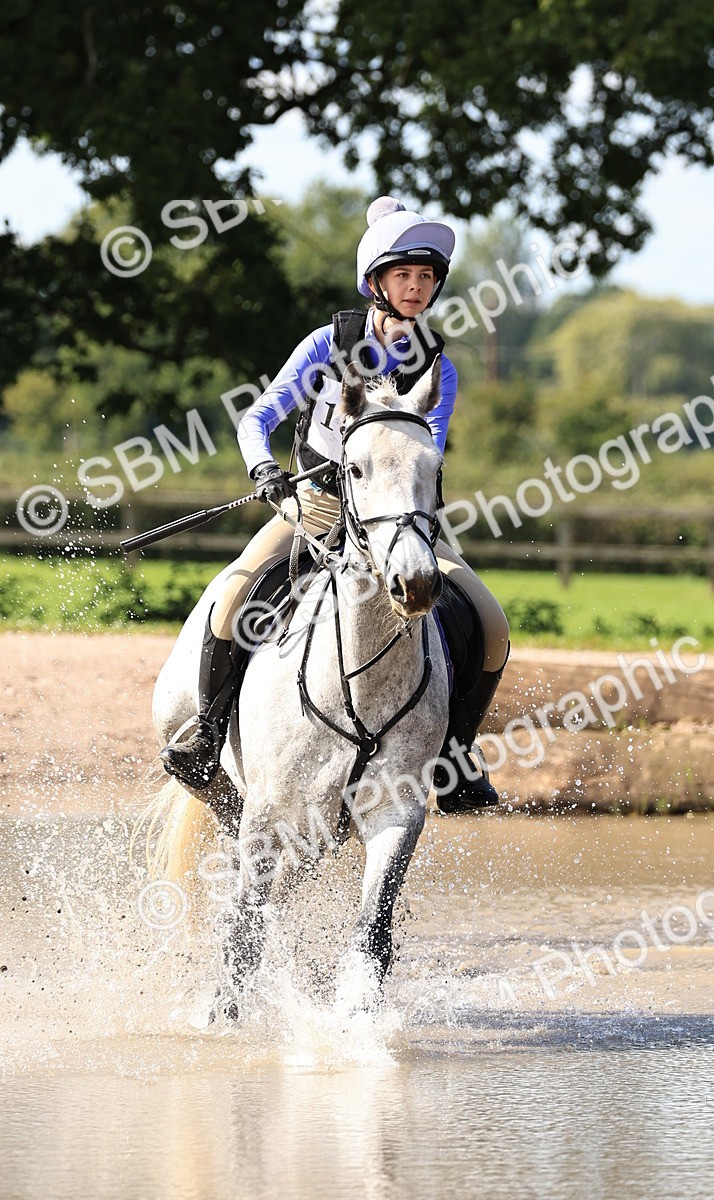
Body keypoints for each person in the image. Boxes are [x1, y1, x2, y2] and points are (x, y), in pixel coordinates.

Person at [160, 196, 510, 812]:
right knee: (232, 604)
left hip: (399, 518)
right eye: (404, 275)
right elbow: (259, 416)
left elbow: (431, 452)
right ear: (375, 281)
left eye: (426, 277)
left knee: (491, 625)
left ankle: (455, 756)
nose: (417, 287)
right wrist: (266, 469)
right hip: (316, 507)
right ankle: (208, 737)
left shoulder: (440, 368)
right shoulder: (327, 344)